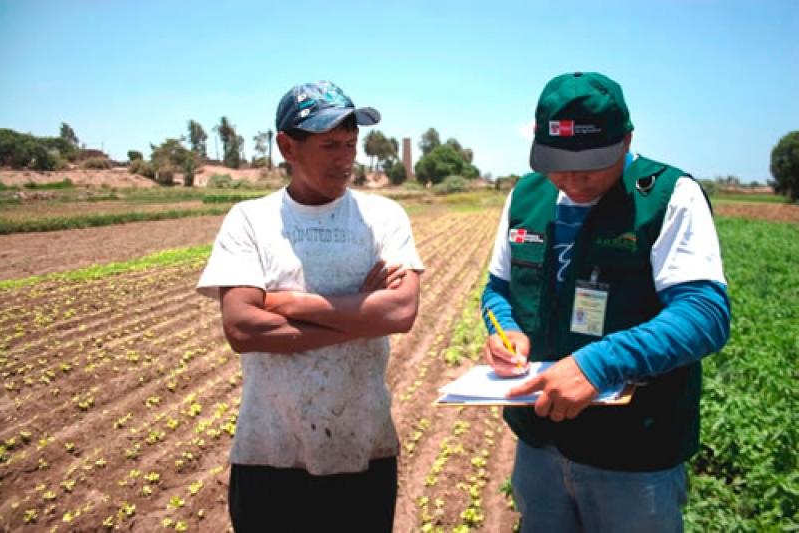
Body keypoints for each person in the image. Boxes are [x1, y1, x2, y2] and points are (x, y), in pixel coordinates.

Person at [482, 72, 731, 532]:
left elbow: (704, 313)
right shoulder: (525, 196)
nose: (572, 179)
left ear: (627, 140)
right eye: (558, 163)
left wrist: (600, 365)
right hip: (539, 445)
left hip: (634, 458)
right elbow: (498, 289)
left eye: (591, 164)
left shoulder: (668, 196)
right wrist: (505, 330)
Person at [196, 80, 424, 532]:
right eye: (329, 146)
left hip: (364, 449)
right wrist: (359, 316)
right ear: (288, 146)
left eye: (350, 144)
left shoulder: (383, 217)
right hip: (269, 454)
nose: (345, 159)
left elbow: (399, 312)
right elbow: (242, 328)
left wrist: (288, 304)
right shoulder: (250, 220)